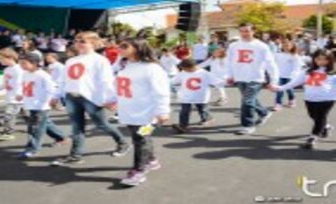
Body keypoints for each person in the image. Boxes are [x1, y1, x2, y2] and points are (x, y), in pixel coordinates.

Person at [51, 31, 130, 166]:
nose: (78, 44)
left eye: (83, 41)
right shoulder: (70, 60)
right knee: (76, 128)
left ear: (93, 43)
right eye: (77, 41)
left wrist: (111, 98)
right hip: (72, 97)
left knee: (102, 124)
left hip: (91, 98)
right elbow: (63, 80)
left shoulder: (99, 60)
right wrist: (56, 95)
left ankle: (122, 142)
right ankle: (76, 155)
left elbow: (106, 80)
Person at [116, 39, 170, 186]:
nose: (119, 48)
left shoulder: (152, 68)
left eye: (124, 45)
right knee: (139, 137)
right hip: (130, 110)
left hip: (147, 113)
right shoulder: (125, 66)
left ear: (138, 48)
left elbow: (161, 91)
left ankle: (139, 170)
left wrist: (163, 111)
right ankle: (151, 160)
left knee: (141, 138)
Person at [271, 49, 336, 149]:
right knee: (313, 116)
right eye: (319, 59)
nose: (322, 62)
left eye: (325, 59)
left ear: (330, 60)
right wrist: (280, 88)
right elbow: (295, 82)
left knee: (320, 117)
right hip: (310, 99)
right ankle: (326, 127)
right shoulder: (307, 71)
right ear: (314, 59)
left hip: (327, 99)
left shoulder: (332, 72)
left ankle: (313, 137)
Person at [226, 23, 279, 135]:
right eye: (242, 31)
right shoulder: (233, 46)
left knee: (247, 101)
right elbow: (229, 62)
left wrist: (274, 80)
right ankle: (264, 112)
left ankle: (248, 125)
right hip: (240, 77)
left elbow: (271, 64)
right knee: (250, 100)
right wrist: (230, 75)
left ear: (253, 31)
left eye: (247, 31)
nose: (244, 33)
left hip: (256, 77)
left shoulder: (261, 46)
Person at [18, 53, 68, 159]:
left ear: (35, 63)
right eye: (20, 63)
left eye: (24, 63)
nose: (22, 65)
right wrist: (21, 96)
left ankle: (33, 149)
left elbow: (52, 89)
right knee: (45, 123)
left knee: (35, 128)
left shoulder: (42, 75)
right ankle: (61, 137)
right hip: (30, 104)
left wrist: (51, 101)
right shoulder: (25, 74)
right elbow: (25, 87)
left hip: (40, 106)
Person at [172, 59, 220, 134]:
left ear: (193, 67)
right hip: (186, 95)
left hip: (200, 95)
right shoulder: (183, 73)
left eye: (185, 68)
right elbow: (174, 81)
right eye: (183, 69)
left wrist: (226, 81)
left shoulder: (204, 73)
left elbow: (216, 81)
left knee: (202, 109)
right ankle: (183, 125)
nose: (184, 70)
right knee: (184, 110)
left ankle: (207, 118)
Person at [0, 48, 23, 141]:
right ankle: (37, 127)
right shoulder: (7, 70)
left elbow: (21, 83)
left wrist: (19, 94)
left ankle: (8, 133)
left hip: (17, 98)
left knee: (9, 115)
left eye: (1, 58)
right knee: (27, 116)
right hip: (11, 96)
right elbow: (4, 83)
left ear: (10, 57)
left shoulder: (19, 69)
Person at [272, 40, 302, 111]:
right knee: (279, 90)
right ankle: (278, 104)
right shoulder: (278, 54)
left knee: (289, 89)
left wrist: (294, 75)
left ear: (292, 46)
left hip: (290, 76)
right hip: (280, 75)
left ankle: (292, 99)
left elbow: (297, 67)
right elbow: (273, 64)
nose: (286, 47)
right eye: (284, 45)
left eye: (288, 46)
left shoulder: (295, 56)